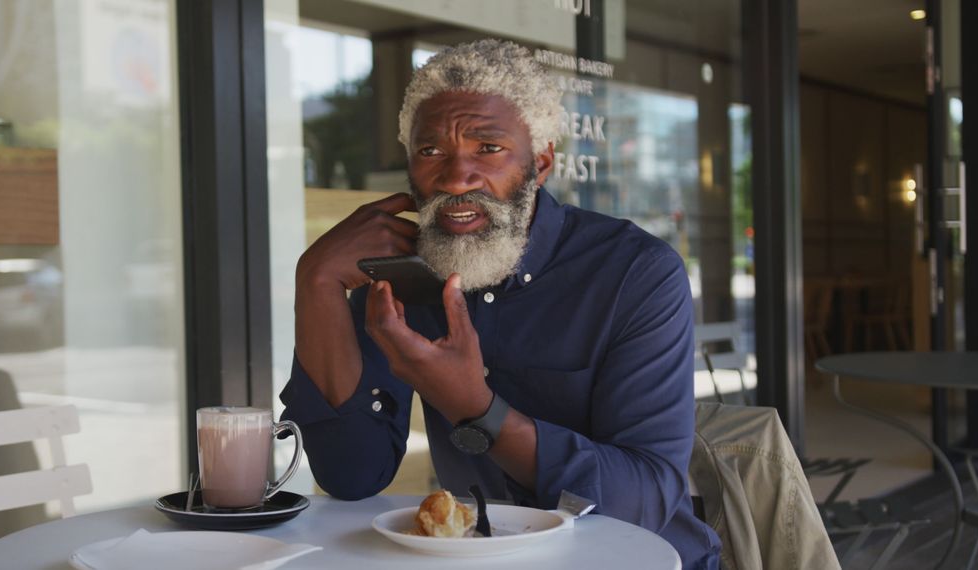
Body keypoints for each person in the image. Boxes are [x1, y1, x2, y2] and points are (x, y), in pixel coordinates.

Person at [280, 38, 721, 569]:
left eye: (488, 148)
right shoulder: (399, 279)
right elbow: (352, 475)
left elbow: (642, 504)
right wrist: (317, 282)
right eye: (430, 151)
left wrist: (477, 409)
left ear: (540, 162)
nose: (455, 177)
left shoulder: (634, 275)